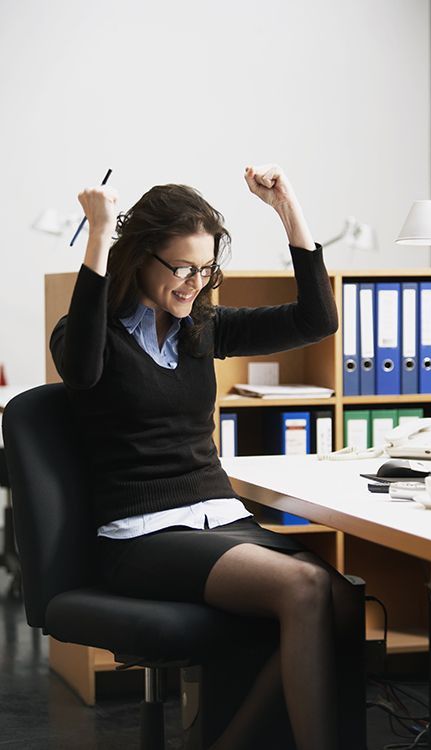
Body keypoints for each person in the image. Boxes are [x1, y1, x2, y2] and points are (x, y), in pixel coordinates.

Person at [50, 164, 340, 750]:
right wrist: (100, 234)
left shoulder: (199, 329)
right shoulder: (90, 332)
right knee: (305, 590)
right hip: (140, 536)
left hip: (218, 519)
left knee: (342, 596)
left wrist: (287, 209)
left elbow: (318, 320)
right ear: (140, 258)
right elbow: (79, 368)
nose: (194, 283)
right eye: (182, 268)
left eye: (206, 270)